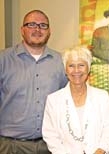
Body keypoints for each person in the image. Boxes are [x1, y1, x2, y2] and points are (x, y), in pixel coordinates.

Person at [0, 10, 68, 154]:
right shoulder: (3, 60)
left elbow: (68, 102)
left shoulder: (61, 62)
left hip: (50, 146)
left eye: (43, 25)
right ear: (22, 30)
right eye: (31, 25)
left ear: (49, 31)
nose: (37, 29)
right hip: (10, 146)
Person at [42, 46, 109, 154]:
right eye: (71, 66)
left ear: (88, 68)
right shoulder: (53, 100)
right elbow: (50, 135)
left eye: (81, 65)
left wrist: (101, 150)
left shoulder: (102, 97)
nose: (76, 70)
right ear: (65, 70)